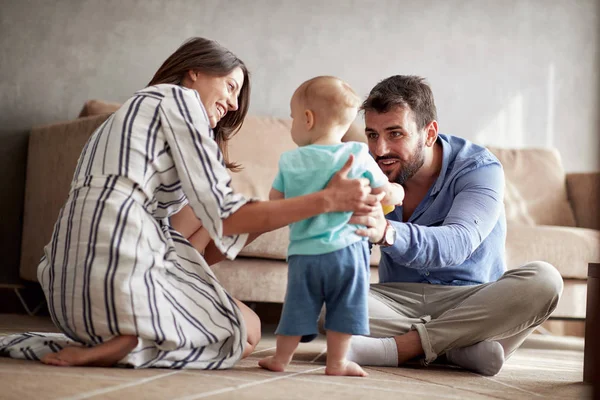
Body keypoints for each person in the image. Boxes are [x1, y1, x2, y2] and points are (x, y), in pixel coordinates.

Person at [0, 38, 382, 369]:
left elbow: (190, 247)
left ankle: (120, 337)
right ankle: (135, 341)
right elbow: (226, 214)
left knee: (246, 324)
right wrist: (324, 200)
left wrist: (277, 212)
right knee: (242, 333)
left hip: (69, 291)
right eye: (231, 87)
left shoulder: (141, 121)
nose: (233, 105)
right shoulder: (177, 100)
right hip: (112, 268)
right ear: (194, 72)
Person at [342, 75, 564, 376]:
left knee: (545, 281)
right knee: (328, 298)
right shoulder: (367, 169)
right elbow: (351, 254)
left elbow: (458, 242)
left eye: (395, 134)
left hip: (471, 299)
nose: (380, 150)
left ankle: (401, 348)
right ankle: (462, 349)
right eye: (372, 135)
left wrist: (388, 232)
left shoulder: (479, 170)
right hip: (398, 298)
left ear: (429, 133)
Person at [257, 76, 404, 377]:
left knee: (297, 305)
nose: (292, 123)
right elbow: (385, 192)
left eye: (293, 117)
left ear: (308, 119)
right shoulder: (358, 155)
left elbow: (275, 202)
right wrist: (397, 194)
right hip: (347, 253)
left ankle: (281, 359)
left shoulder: (290, 160)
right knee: (344, 306)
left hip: (304, 254)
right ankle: (336, 363)